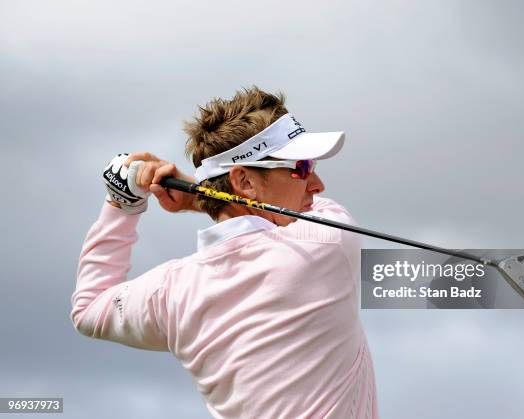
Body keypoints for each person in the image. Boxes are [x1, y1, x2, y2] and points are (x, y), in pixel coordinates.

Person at [71, 87, 379, 419]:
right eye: (301, 167)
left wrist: (122, 205)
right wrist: (195, 199)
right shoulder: (326, 245)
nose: (317, 184)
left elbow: (89, 308)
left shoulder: (172, 290)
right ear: (244, 182)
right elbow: (306, 215)